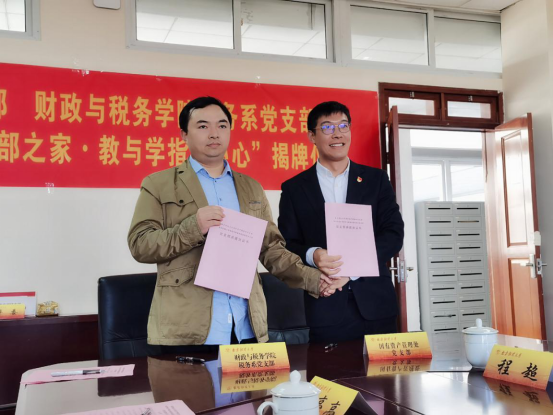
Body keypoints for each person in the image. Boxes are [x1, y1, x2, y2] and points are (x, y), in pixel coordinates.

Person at [128, 96, 334, 352]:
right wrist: (193, 227)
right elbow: (140, 244)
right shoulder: (158, 184)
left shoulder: (251, 187)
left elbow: (271, 249)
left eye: (222, 125)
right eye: (203, 126)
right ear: (184, 135)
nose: (214, 133)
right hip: (188, 331)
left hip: (246, 326)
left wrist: (313, 279)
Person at [278, 101, 404, 344]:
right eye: (327, 127)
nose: (337, 134)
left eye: (343, 126)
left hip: (376, 306)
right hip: (325, 306)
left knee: (383, 371)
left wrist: (350, 270)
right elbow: (287, 243)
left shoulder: (376, 180)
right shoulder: (294, 188)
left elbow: (393, 234)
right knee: (329, 369)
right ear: (312, 136)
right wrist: (314, 255)